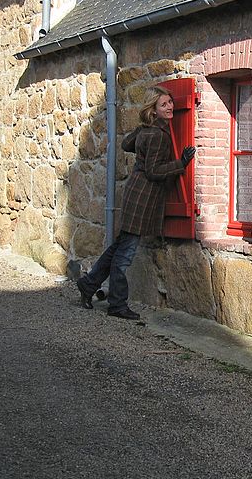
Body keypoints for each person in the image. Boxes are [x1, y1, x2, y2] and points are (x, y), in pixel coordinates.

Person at [76, 85, 196, 320]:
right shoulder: (157, 135)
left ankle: (88, 285)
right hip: (142, 197)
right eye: (164, 104)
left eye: (170, 102)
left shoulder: (148, 131)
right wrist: (180, 163)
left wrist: (143, 130)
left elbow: (126, 144)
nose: (170, 106)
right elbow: (153, 170)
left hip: (136, 192)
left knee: (119, 246)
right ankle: (117, 305)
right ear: (153, 109)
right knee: (125, 254)